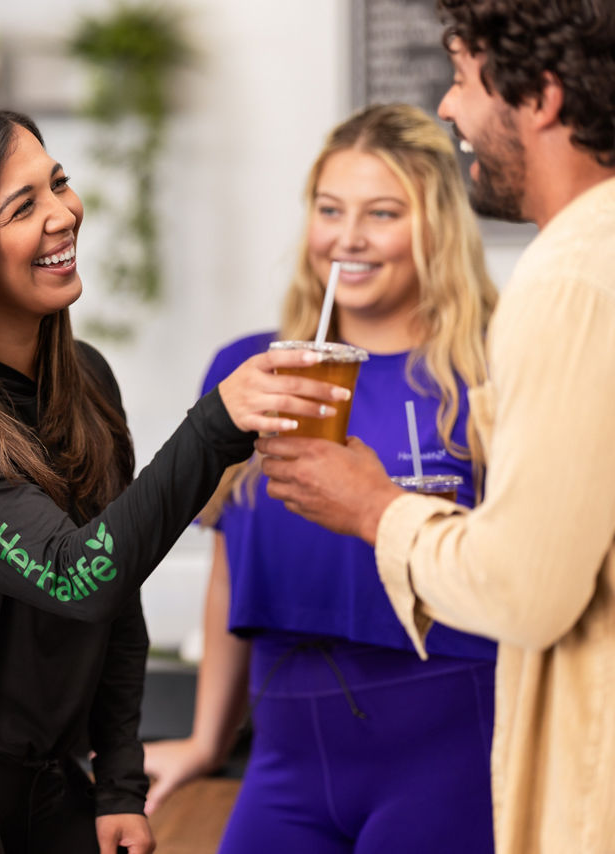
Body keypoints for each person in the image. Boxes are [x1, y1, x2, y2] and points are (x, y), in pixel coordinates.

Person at [0, 106, 348, 854]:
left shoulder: (85, 383)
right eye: (23, 207)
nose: (64, 214)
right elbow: (78, 578)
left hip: (42, 776)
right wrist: (215, 426)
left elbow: (119, 590)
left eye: (59, 183)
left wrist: (119, 785)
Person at [259, 2, 615, 852]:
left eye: (461, 78)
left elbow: (526, 590)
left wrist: (373, 507)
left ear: (542, 98)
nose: (447, 106)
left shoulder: (566, 280)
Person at [143, 103, 500, 852]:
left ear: (437, 226)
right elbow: (228, 568)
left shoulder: (490, 371)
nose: (348, 237)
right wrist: (207, 740)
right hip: (285, 757)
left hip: (449, 750)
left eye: (382, 213)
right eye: (330, 210)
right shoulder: (248, 370)